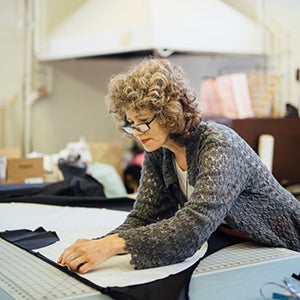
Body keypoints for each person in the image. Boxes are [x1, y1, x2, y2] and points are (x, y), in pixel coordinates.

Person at [58, 58, 300, 274]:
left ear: (170, 113)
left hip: (285, 244)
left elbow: (193, 227)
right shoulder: (158, 150)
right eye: (131, 123)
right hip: (240, 242)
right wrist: (97, 245)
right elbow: (145, 216)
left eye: (144, 121)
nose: (137, 132)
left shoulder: (218, 145)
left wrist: (113, 245)